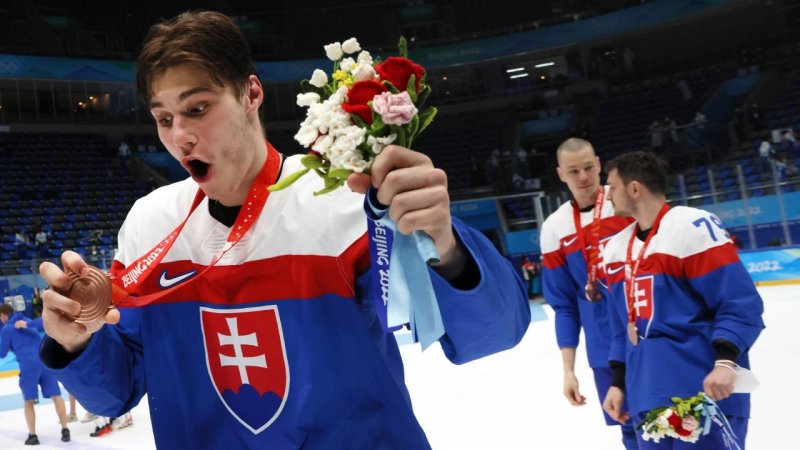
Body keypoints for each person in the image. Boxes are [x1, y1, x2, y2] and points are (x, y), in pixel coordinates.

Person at [37, 11, 530, 450]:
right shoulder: (149, 223)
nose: (179, 135)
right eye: (163, 118)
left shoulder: (345, 195)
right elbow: (117, 390)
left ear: (251, 93)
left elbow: (492, 334)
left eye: (197, 108)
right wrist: (74, 342)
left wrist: (444, 243)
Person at [601, 151, 765, 449]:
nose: (607, 195)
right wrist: (618, 381)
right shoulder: (614, 249)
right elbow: (620, 326)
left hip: (703, 389)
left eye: (612, 186)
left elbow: (740, 303)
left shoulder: (692, 227)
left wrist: (726, 362)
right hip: (646, 391)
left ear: (634, 188)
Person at [539, 138, 638, 450]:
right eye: (573, 171)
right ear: (560, 175)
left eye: (588, 167)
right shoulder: (555, 227)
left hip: (646, 334)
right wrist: (568, 370)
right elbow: (564, 305)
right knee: (629, 429)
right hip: (603, 345)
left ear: (599, 164)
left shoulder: (627, 200)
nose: (583, 176)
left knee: (670, 419)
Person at [0, 303, 71, 445]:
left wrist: (11, 346)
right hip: (45, 361)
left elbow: (2, 353)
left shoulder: (7, 329)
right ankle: (65, 429)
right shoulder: (28, 321)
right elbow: (43, 323)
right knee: (56, 396)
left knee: (29, 401)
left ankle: (33, 435)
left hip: (28, 366)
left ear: (3, 316)